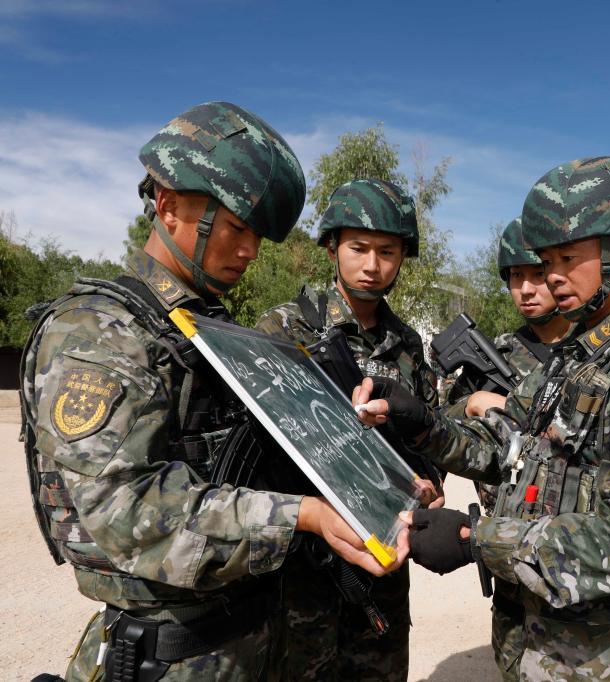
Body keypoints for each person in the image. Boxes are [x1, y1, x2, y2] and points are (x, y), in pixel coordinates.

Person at [19, 102, 405, 682]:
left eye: (257, 235)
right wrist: (301, 515)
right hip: (175, 652)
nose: (250, 251)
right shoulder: (100, 332)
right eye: (236, 228)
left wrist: (344, 437)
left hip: (250, 641)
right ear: (169, 206)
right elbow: (125, 510)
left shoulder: (204, 328)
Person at [355, 156, 610, 680]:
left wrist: (474, 539)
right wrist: (421, 422)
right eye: (545, 260)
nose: (552, 277)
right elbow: (504, 445)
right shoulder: (576, 360)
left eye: (567, 258)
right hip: (541, 651)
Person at [255, 178, 440, 682]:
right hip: (306, 562)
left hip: (383, 557)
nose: (372, 265)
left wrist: (428, 482)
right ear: (332, 248)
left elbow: (427, 430)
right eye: (358, 248)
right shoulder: (286, 328)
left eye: (387, 252)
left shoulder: (407, 344)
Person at [445, 216, 569, 513]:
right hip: (498, 524)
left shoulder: (590, 352)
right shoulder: (496, 355)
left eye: (538, 274)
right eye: (515, 275)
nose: (525, 289)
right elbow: (442, 427)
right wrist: (472, 404)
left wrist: (510, 406)